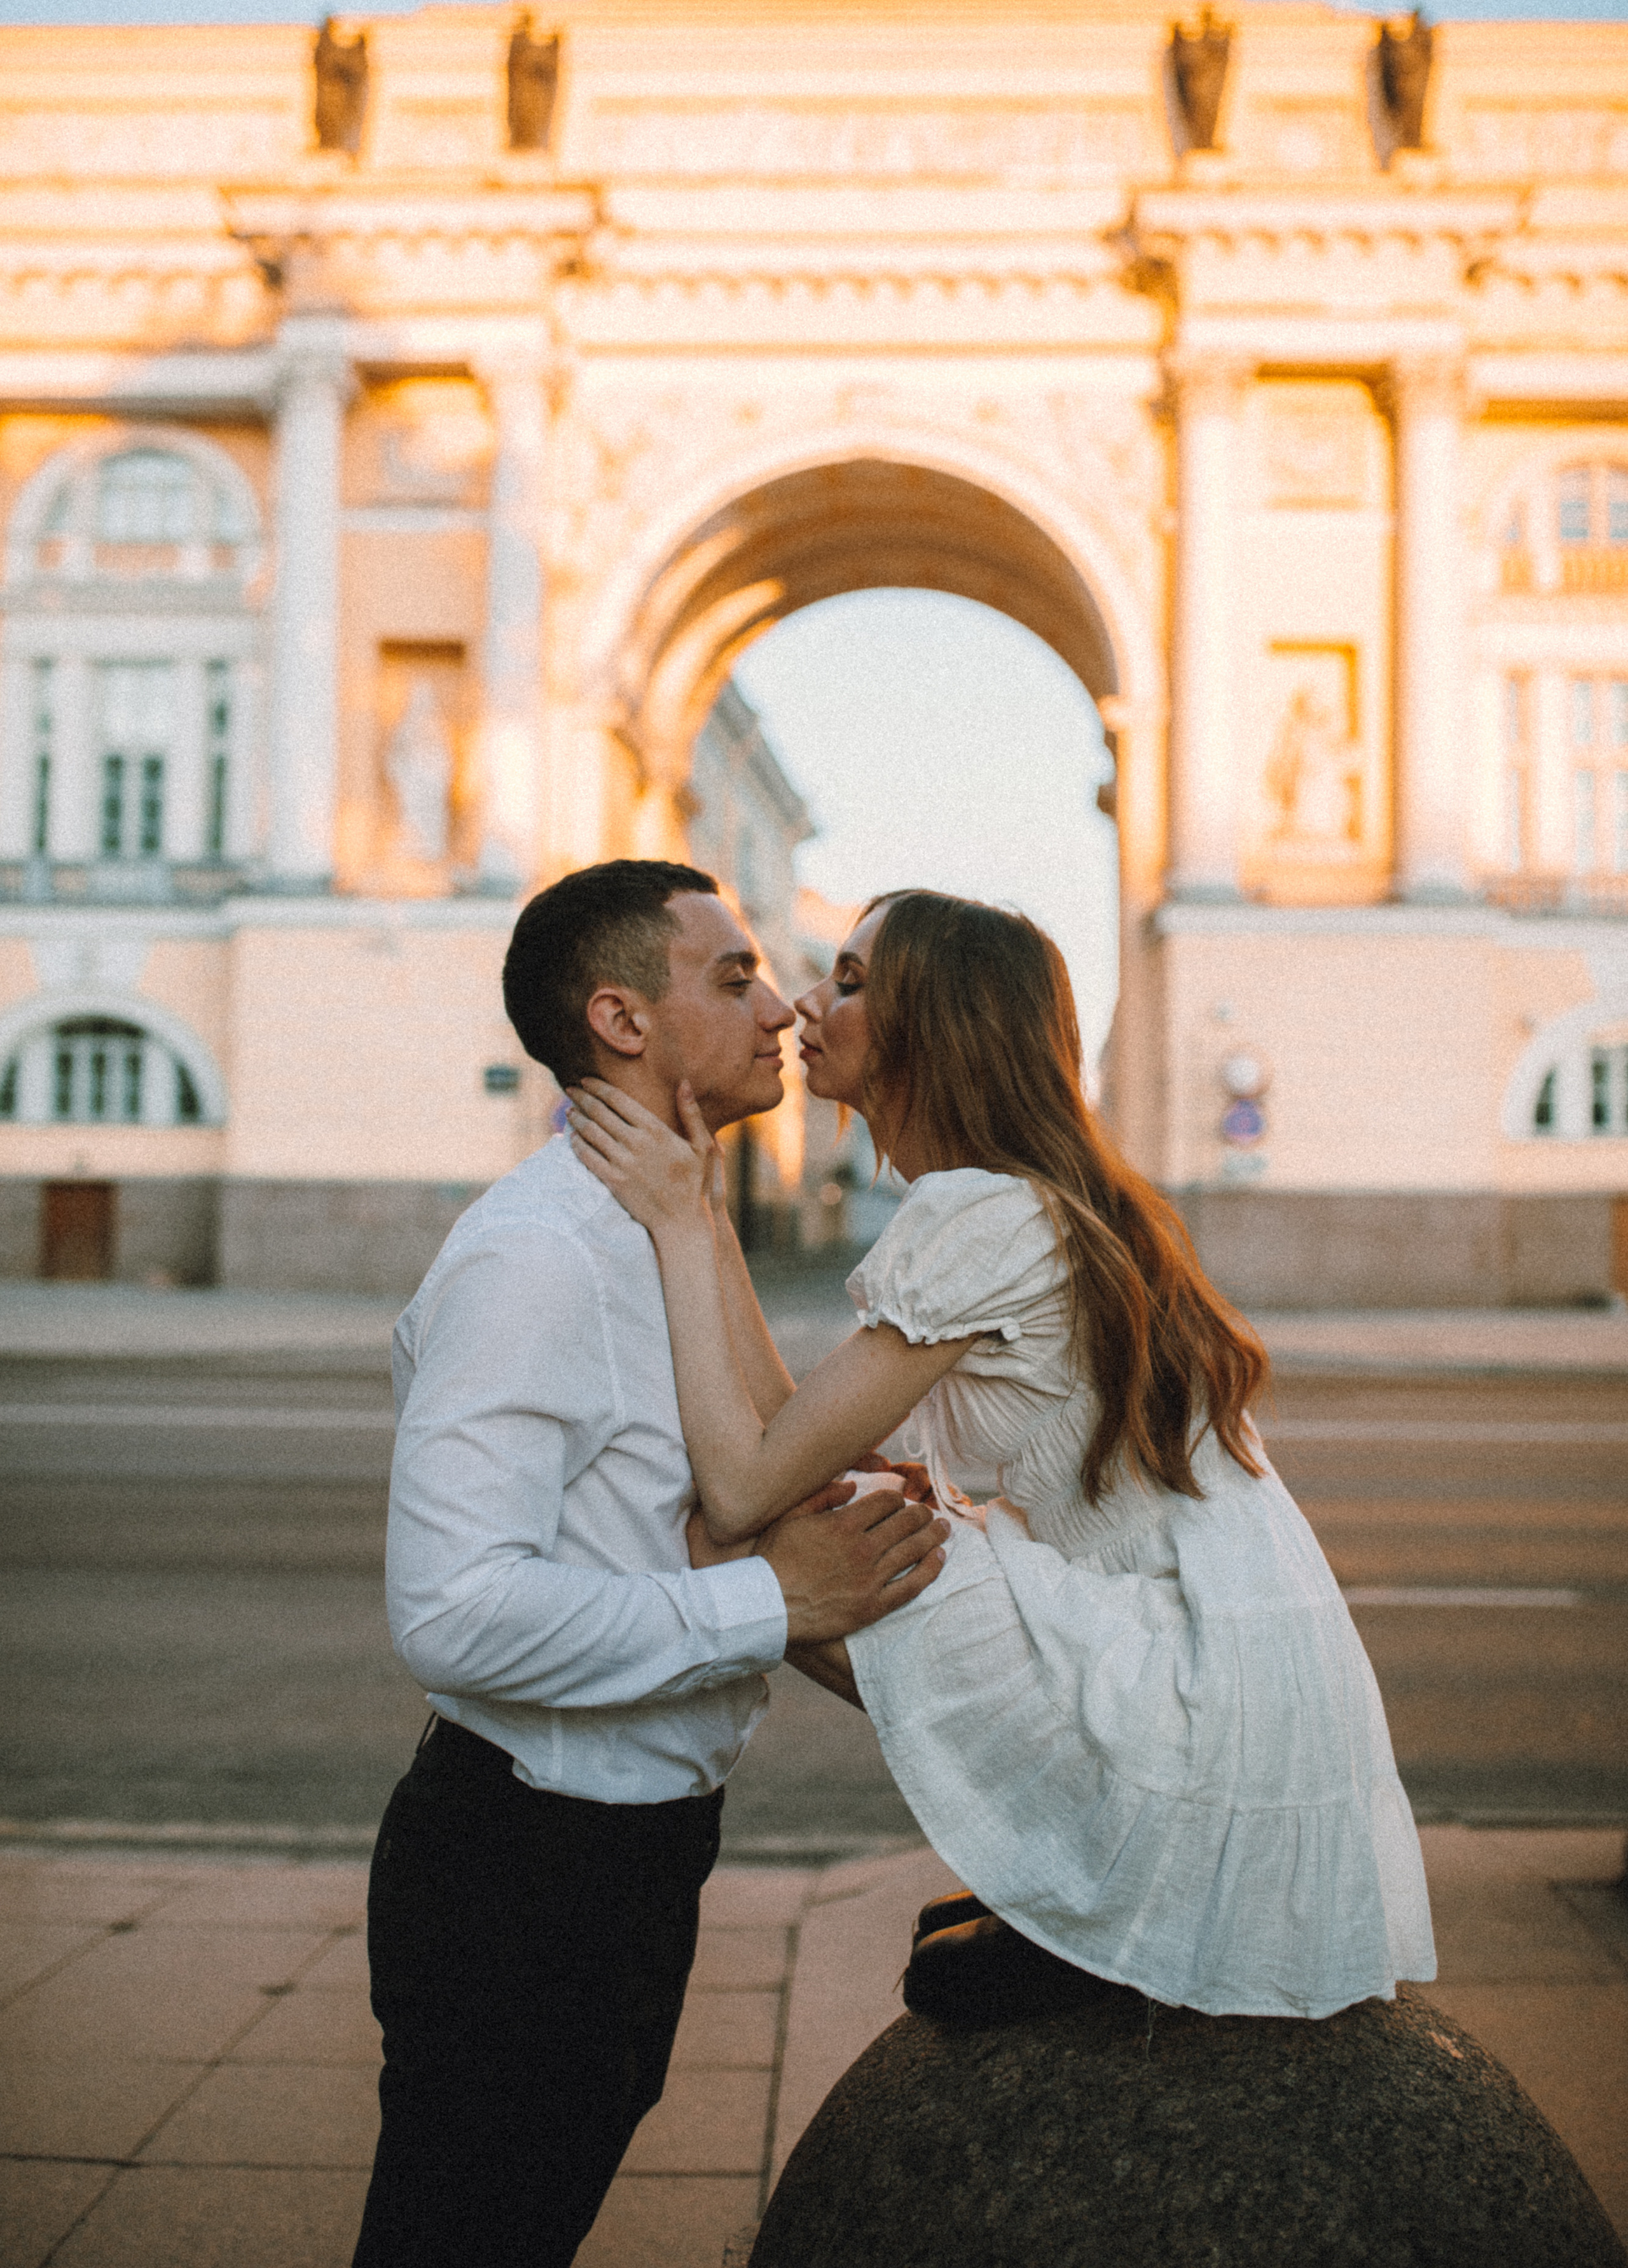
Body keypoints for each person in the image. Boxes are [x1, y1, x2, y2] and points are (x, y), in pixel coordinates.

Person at [568, 888, 1437, 2026]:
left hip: (1190, 1690)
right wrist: (711, 1218)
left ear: (939, 1027)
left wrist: (681, 1226)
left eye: (851, 980)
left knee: (735, 1542)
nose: (802, 1005)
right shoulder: (1037, 1201)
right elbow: (798, 1439)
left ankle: (1080, 1876)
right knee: (827, 1518)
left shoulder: (982, 1216)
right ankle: (1064, 1880)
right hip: (1231, 1667)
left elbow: (742, 1489)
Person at [352, 860, 949, 2268]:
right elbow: (451, 1608)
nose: (778, 1006)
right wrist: (773, 1602)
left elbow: (747, 1480)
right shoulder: (536, 1255)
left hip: (630, 1855)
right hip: (521, 1869)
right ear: (620, 1020)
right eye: (732, 977)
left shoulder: (672, 1226)